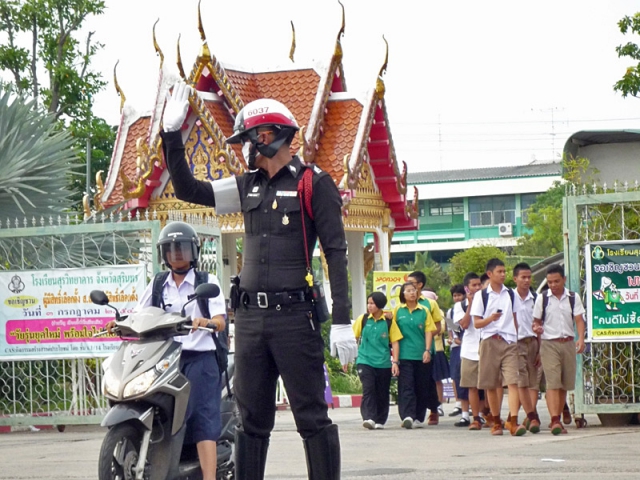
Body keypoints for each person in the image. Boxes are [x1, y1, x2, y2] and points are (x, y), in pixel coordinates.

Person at [160, 82, 357, 479]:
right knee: (251, 422)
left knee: (311, 418)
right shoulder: (246, 186)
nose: (245, 149)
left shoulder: (312, 183)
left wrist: (341, 319)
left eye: (249, 140)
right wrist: (171, 136)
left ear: (268, 137)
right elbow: (187, 189)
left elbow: (336, 253)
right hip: (249, 321)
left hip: (294, 318)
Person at [107, 221, 227, 480]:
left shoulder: (207, 281)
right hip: (166, 356)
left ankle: (209, 477)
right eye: (171, 249)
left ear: (193, 251)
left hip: (200, 359)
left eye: (181, 248)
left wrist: (206, 322)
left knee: (202, 419)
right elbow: (140, 314)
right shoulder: (158, 283)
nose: (176, 253)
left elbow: (220, 320)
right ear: (164, 254)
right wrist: (120, 323)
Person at [472, 258, 525, 437]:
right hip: (489, 341)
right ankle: (496, 422)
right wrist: (490, 319)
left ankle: (514, 421)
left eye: (504, 271)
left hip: (509, 341)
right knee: (491, 384)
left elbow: (515, 318)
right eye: (499, 272)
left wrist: (516, 339)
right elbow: (477, 323)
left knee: (512, 381)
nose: (503, 275)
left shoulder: (511, 294)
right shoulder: (482, 295)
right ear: (490, 274)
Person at [532, 265, 586, 435]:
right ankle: (554, 419)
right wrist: (537, 329)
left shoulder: (572, 297)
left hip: (568, 342)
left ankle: (559, 418)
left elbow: (579, 319)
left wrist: (581, 338)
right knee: (553, 382)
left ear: (564, 279)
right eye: (550, 282)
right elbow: (536, 321)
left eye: (556, 281)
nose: (553, 285)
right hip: (549, 344)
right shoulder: (543, 298)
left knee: (564, 383)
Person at [353, 292, 402, 430]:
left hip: (383, 362)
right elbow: (354, 338)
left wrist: (395, 362)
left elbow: (395, 342)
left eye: (372, 303)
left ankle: (380, 419)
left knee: (382, 391)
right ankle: (369, 417)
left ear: (380, 305)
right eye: (368, 303)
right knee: (368, 388)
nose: (369, 306)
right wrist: (347, 358)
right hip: (364, 360)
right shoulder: (362, 319)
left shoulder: (388, 322)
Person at [394, 282, 438, 429]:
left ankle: (419, 416)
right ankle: (407, 415)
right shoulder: (397, 311)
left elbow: (428, 331)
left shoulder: (424, 310)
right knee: (407, 386)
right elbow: (393, 334)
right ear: (403, 294)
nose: (412, 293)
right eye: (408, 291)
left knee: (422, 386)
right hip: (405, 355)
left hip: (421, 354)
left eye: (414, 290)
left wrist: (427, 350)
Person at [407, 271, 443, 425]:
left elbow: (438, 326)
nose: (408, 287)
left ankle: (434, 409)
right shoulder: (403, 303)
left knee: (427, 383)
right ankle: (411, 414)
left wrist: (424, 335)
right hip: (407, 351)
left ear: (420, 285)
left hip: (426, 350)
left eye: (412, 283)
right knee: (410, 383)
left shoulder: (430, 303)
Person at [511, 263, 542, 433]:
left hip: (533, 342)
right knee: (521, 381)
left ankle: (525, 416)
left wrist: (539, 348)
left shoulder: (536, 298)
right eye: (523, 277)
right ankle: (532, 417)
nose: (527, 280)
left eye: (529, 277)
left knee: (533, 382)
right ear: (515, 278)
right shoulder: (509, 297)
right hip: (517, 343)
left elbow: (538, 323)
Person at [454, 273, 484, 430]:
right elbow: (464, 325)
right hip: (469, 349)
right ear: (467, 288)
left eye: (479, 284)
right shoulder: (460, 305)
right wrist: (471, 304)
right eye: (474, 285)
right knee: (471, 386)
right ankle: (476, 417)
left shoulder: (489, 301)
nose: (478, 288)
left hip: (487, 347)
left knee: (490, 385)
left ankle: (491, 415)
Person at [423, 289, 449, 416]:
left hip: (437, 350)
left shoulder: (439, 312)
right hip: (422, 350)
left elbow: (441, 328)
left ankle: (440, 404)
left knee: (437, 380)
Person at [446, 284, 467, 420]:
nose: (457, 298)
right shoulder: (451, 312)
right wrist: (453, 338)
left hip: (468, 345)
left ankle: (468, 404)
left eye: (459, 295)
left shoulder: (468, 308)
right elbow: (451, 329)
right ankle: (458, 402)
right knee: (455, 375)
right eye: (455, 296)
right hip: (456, 346)